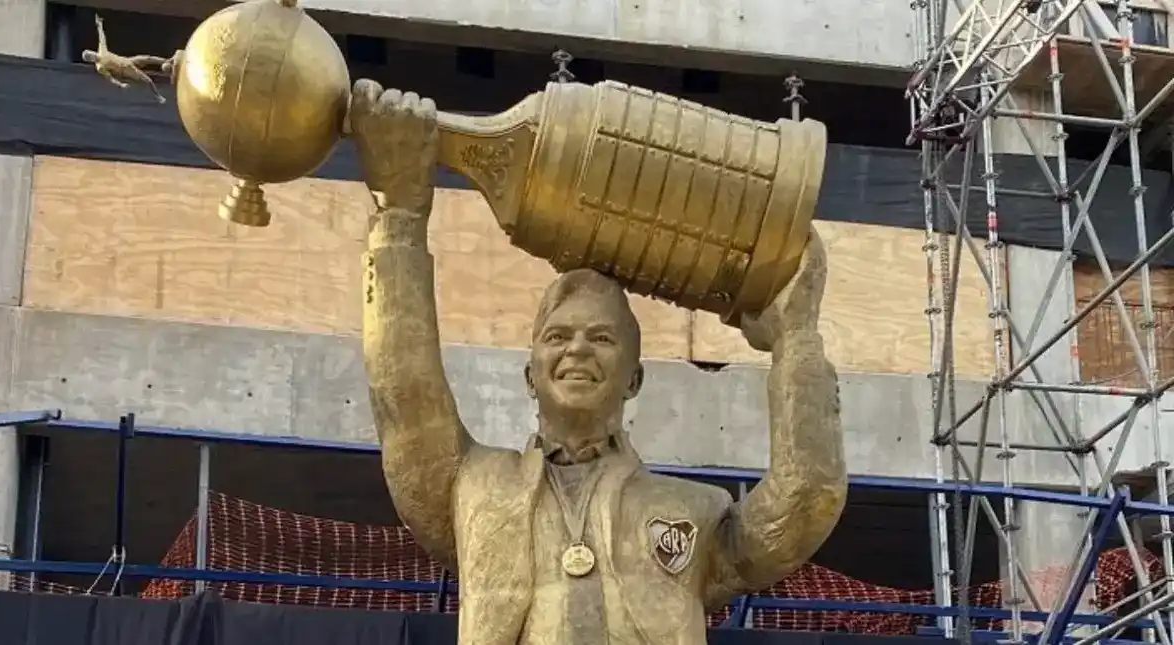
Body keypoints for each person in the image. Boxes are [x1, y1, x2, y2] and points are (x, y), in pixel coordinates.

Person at [351, 77, 847, 645]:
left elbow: (806, 501)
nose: (578, 349)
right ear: (529, 374)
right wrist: (401, 217)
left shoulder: (693, 512)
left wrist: (798, 338)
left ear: (635, 379)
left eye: (602, 339)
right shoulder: (472, 488)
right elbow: (406, 400)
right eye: (557, 337)